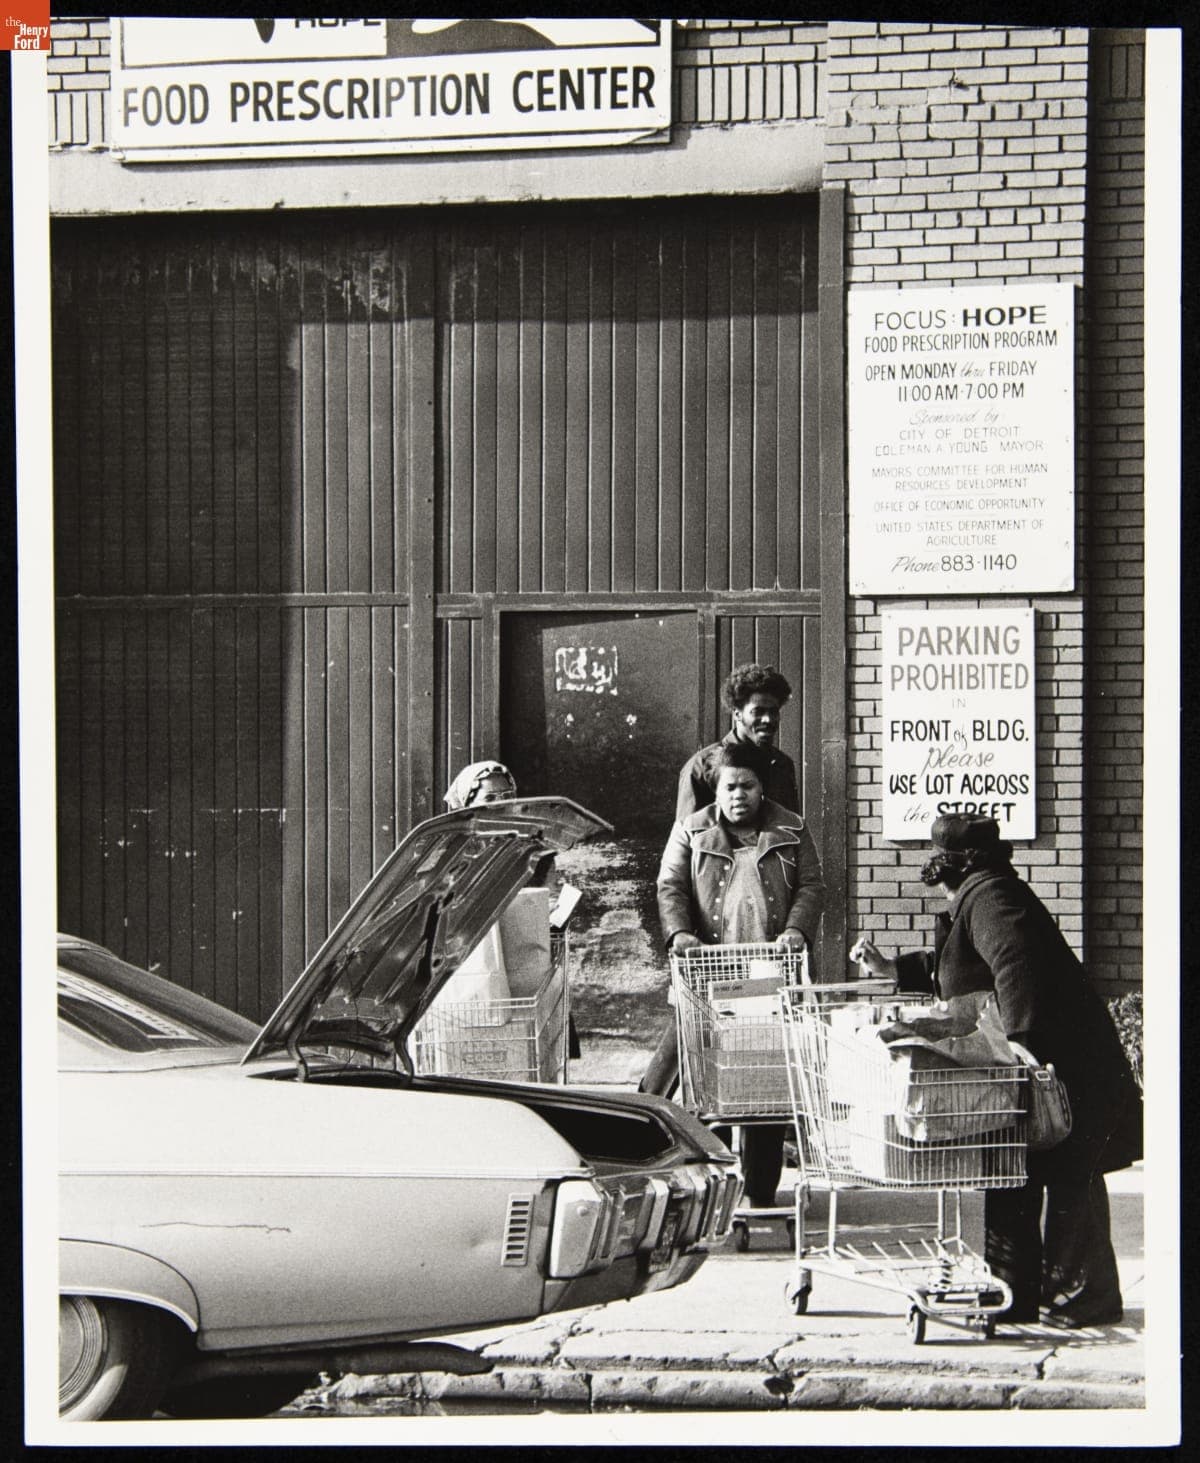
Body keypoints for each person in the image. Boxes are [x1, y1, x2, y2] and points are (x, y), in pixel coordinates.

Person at [851, 814, 1141, 1329]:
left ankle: (1083, 1298)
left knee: (1069, 1175)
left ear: (949, 865)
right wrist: (893, 968)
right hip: (1053, 1058)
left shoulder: (990, 897)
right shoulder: (984, 894)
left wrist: (1022, 1040)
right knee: (1015, 1170)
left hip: (1063, 1064)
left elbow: (1015, 962)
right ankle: (1016, 1292)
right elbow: (963, 963)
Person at [645, 742, 826, 1205]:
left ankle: (760, 1193)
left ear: (762, 789)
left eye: (747, 786)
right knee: (702, 1077)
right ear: (716, 790)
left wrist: (796, 930)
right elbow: (670, 885)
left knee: (761, 1080)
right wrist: (680, 933)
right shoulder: (691, 830)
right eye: (729, 787)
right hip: (709, 970)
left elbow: (811, 884)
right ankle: (704, 1185)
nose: (738, 795)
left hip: (768, 970)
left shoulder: (791, 828)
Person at [443, 759, 580, 1058]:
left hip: (525, 967)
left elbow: (550, 900)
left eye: (507, 796)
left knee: (528, 1047)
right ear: (468, 807)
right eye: (490, 798)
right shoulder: (453, 855)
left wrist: (555, 913)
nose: (501, 805)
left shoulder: (537, 852)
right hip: (475, 976)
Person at [676, 663, 799, 822]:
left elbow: (792, 828)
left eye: (773, 711)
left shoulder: (782, 764)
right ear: (737, 714)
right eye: (758, 711)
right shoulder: (701, 766)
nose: (768, 719)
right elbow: (687, 832)